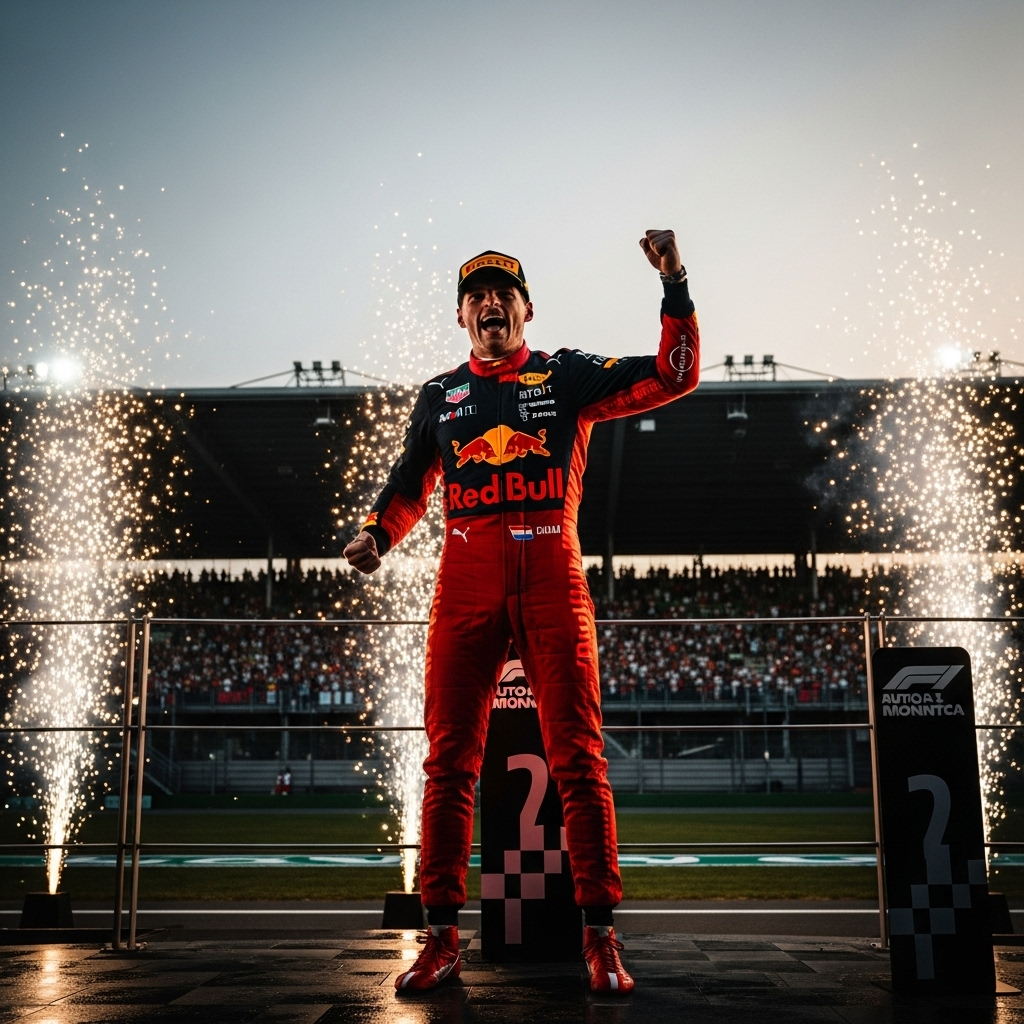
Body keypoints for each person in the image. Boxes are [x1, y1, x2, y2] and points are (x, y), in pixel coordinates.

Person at [344, 231, 700, 994]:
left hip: (550, 575)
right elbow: (409, 483)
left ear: (526, 309)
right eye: (475, 296)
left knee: (578, 756)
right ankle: (441, 938)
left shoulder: (565, 375)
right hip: (465, 578)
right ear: (461, 317)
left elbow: (674, 374)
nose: (490, 304)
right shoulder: (440, 395)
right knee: (448, 762)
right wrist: (377, 534)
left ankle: (600, 937)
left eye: (503, 293)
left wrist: (674, 283)